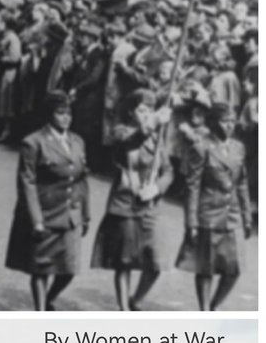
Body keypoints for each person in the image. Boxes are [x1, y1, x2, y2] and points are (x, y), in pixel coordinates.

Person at [5, 89, 90, 311]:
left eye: (69, 113)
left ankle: (50, 299)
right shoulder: (34, 142)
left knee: (69, 269)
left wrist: (86, 214)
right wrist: (36, 220)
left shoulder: (77, 141)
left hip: (70, 214)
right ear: (49, 114)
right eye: (60, 113)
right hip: (46, 213)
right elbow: (27, 182)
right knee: (41, 268)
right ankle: (40, 312)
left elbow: (82, 180)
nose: (66, 118)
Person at [90, 89, 174, 311]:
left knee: (155, 262)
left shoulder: (157, 136)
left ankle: (135, 300)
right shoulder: (120, 132)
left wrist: (157, 188)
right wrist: (154, 121)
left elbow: (168, 171)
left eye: (150, 110)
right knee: (124, 261)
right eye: (142, 110)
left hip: (149, 206)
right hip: (125, 204)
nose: (147, 114)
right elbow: (131, 141)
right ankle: (123, 310)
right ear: (130, 112)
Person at [175, 102, 253, 310]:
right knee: (206, 267)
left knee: (234, 269)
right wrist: (191, 222)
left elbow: (242, 183)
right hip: (209, 213)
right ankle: (205, 311)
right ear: (213, 122)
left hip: (233, 213)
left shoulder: (238, 147)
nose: (229, 125)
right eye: (224, 121)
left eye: (232, 121)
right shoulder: (201, 148)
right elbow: (192, 187)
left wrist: (247, 216)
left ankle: (214, 306)